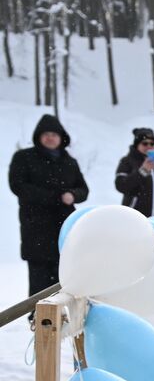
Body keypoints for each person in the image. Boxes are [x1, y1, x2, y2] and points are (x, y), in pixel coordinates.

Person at [9, 114, 89, 296]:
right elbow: (18, 185)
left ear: (61, 137)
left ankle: (62, 319)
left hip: (64, 229)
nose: (50, 137)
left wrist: (72, 195)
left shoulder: (69, 161)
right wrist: (55, 197)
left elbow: (83, 190)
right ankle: (38, 320)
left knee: (64, 278)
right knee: (39, 281)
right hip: (36, 229)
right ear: (38, 136)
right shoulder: (24, 157)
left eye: (54, 134)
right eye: (46, 134)